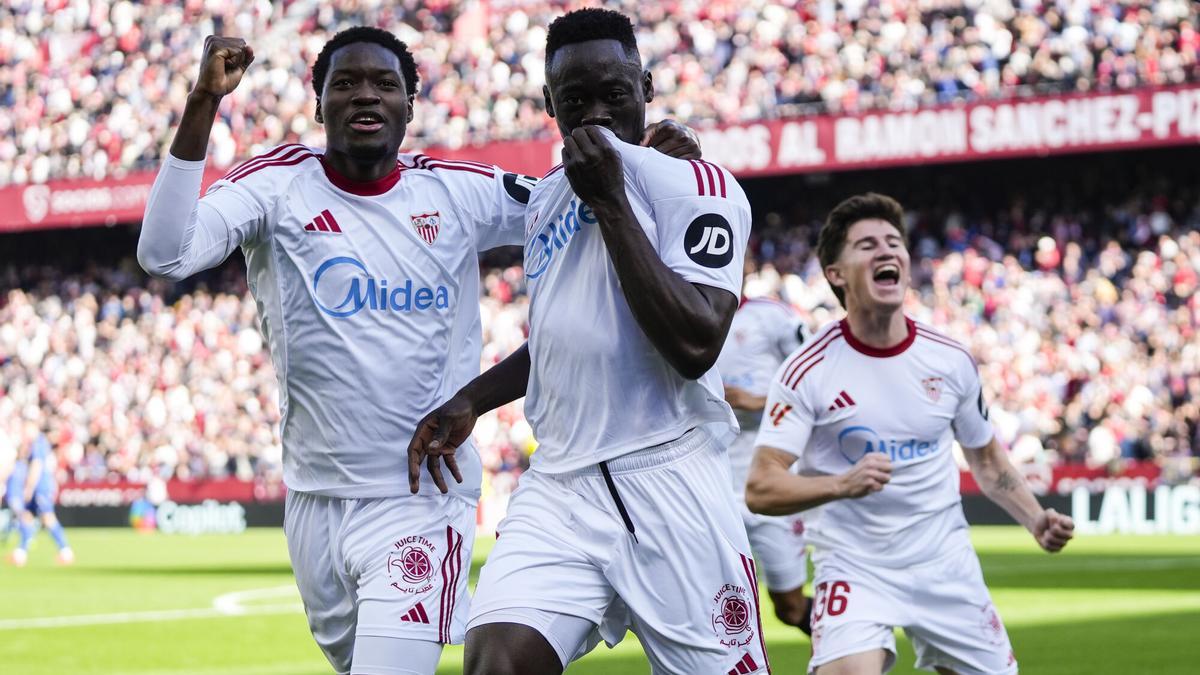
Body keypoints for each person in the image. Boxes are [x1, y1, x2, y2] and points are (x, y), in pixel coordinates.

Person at [136, 26, 698, 675]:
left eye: (385, 84)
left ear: (411, 104)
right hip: (314, 502)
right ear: (319, 105)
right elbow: (164, 252)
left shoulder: (455, 191)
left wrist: (654, 162)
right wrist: (204, 101)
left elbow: (578, 198)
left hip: (422, 498)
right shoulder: (277, 185)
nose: (365, 95)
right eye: (344, 84)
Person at [409, 9, 767, 674]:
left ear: (647, 88)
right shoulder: (545, 201)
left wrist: (612, 203)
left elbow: (696, 343)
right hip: (561, 485)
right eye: (575, 101)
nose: (596, 115)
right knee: (495, 661)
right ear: (550, 105)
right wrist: (471, 399)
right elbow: (558, 338)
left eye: (615, 94)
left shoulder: (697, 186)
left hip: (672, 480)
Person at [745, 193, 1076, 675]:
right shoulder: (806, 370)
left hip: (944, 564)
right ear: (836, 273)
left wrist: (1034, 519)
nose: (886, 252)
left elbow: (986, 460)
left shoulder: (950, 360)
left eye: (894, 242)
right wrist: (841, 484)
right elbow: (760, 487)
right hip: (855, 567)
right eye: (866, 245)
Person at [717, 276, 812, 635]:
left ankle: (852, 649)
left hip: (772, 477)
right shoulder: (682, 320)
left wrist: (757, 401)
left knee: (789, 608)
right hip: (714, 481)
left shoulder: (771, 317)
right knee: (719, 604)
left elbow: (816, 383)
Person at [5, 421, 73, 567]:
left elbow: (37, 466)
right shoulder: (38, 444)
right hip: (40, 487)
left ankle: (65, 550)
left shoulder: (38, 443)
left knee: (48, 518)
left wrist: (29, 487)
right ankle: (21, 553)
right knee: (26, 516)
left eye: (27, 429)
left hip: (40, 488)